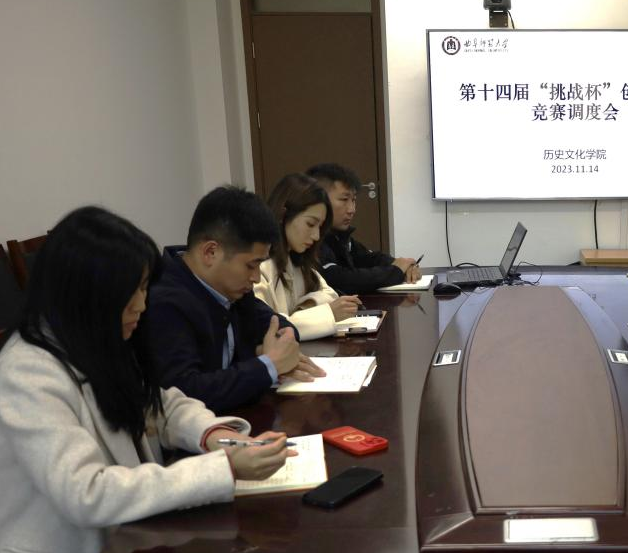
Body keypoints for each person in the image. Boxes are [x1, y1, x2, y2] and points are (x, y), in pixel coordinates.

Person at [0, 206, 293, 553]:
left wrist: (214, 435)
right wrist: (222, 469)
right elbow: (87, 492)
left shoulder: (95, 339)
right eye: (132, 292)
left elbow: (162, 403)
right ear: (88, 294)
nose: (142, 305)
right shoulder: (29, 372)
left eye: (143, 288)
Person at [142, 185, 324, 414]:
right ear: (210, 252)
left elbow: (278, 325)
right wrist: (268, 365)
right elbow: (185, 393)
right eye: (251, 265)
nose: (256, 277)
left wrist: (274, 348)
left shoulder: (231, 287)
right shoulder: (164, 302)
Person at [256, 172, 363, 339]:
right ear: (283, 215)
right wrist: (327, 313)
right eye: (310, 224)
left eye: (320, 227)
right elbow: (271, 329)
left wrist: (303, 307)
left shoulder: (299, 262)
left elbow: (330, 294)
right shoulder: (259, 267)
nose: (316, 236)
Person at [305, 162, 421, 293]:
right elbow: (341, 279)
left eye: (353, 200)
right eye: (344, 199)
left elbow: (369, 258)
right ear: (319, 200)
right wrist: (395, 271)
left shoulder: (340, 236)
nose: (352, 209)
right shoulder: (312, 239)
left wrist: (403, 265)